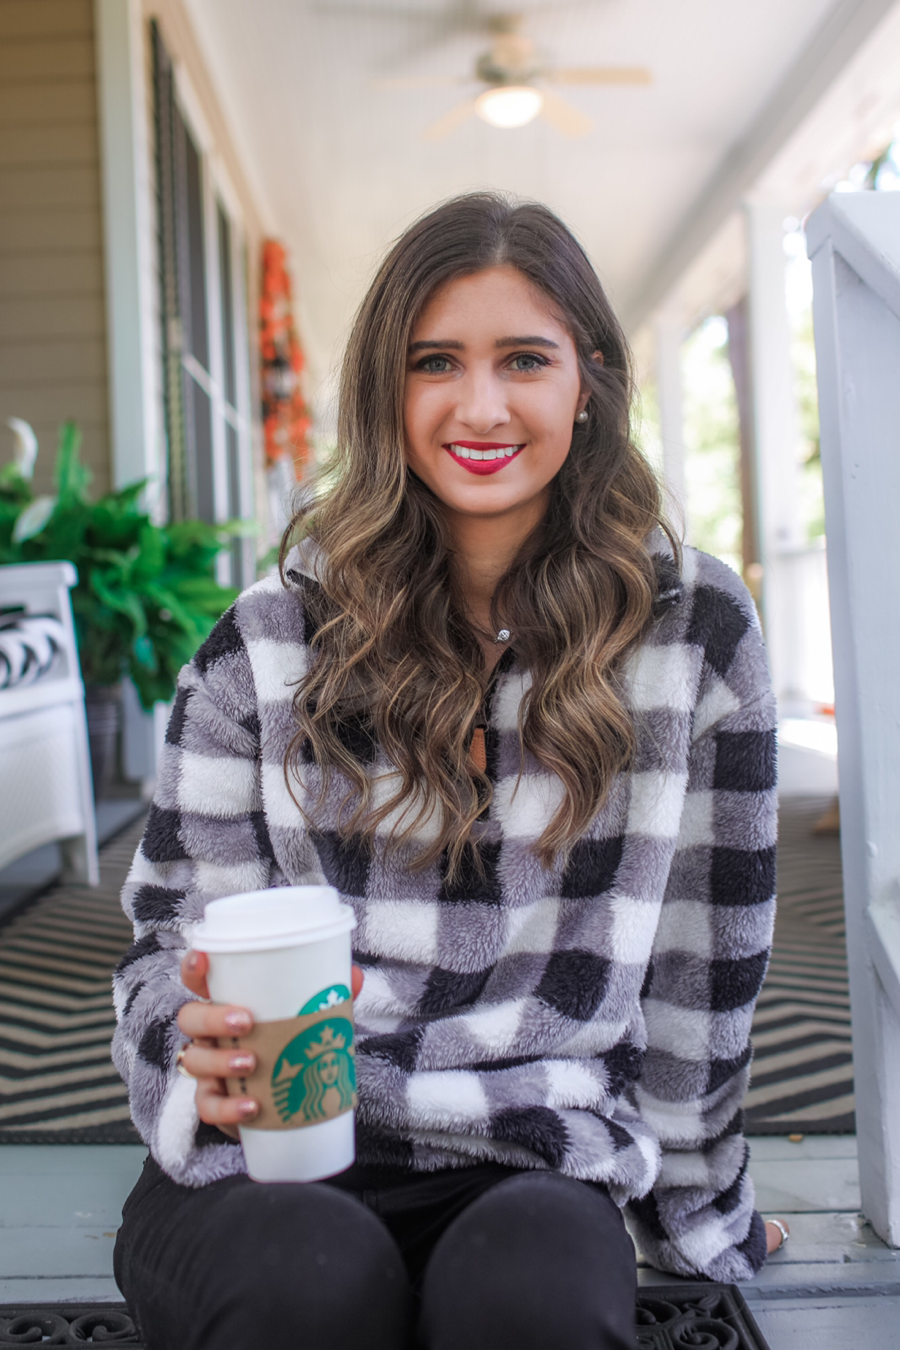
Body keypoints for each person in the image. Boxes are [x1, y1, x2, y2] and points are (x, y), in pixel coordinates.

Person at [112, 192, 788, 1350]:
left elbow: (703, 969)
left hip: (536, 1142)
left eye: (524, 358)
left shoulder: (695, 629)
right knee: (308, 1290)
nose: (481, 405)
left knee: (532, 1305)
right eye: (436, 362)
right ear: (387, 390)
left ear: (591, 382)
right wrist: (192, 1047)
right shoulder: (268, 640)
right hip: (273, 1150)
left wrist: (700, 1205)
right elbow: (173, 943)